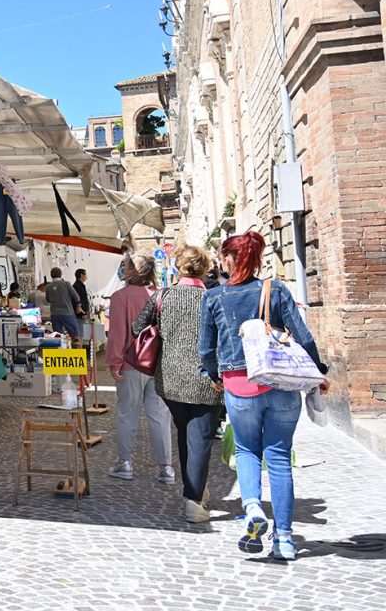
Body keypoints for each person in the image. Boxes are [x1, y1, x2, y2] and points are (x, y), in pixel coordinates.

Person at [201, 231, 328, 561]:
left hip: (239, 384)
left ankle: (253, 507)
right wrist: (318, 372)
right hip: (282, 385)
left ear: (229, 260)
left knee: (246, 449)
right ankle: (284, 539)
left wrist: (215, 377)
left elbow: (205, 349)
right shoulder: (277, 290)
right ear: (256, 260)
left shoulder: (214, 297)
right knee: (280, 457)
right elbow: (304, 337)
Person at [134, 246, 225, 522]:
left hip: (170, 379)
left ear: (177, 268)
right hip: (206, 378)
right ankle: (194, 502)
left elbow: (137, 327)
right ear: (205, 269)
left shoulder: (163, 296)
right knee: (199, 438)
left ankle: (194, 489)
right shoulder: (213, 298)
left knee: (187, 433)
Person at [105, 254, 174, 485]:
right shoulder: (161, 295)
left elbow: (117, 334)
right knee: (160, 416)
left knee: (127, 413)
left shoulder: (120, 297)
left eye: (125, 265)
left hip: (131, 363)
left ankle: (124, 463)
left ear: (134, 270)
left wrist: (114, 363)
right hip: (157, 364)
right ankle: (166, 467)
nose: (122, 268)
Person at [43, 268, 80, 338]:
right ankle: (76, 347)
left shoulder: (48, 287)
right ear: (61, 274)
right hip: (67, 313)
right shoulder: (66, 284)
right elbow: (76, 297)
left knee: (57, 337)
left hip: (55, 314)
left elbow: (47, 300)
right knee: (75, 336)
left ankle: (60, 348)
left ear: (51, 275)